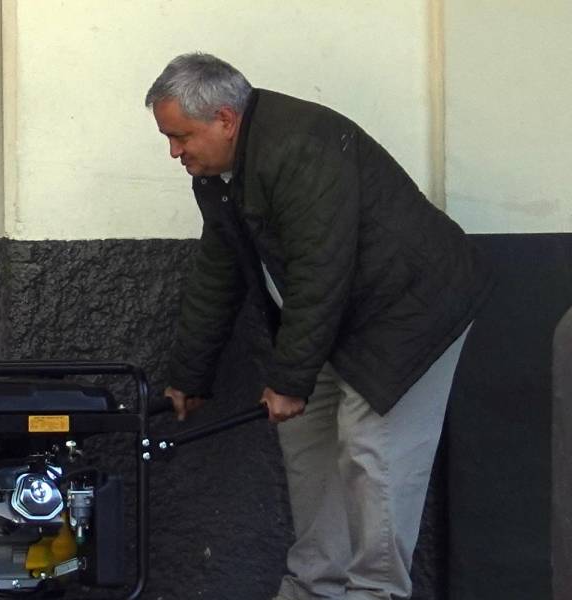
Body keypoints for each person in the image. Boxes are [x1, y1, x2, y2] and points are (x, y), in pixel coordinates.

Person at [148, 53, 489, 599]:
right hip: (337, 316)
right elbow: (219, 271)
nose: (174, 151)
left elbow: (320, 269)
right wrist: (190, 375)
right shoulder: (221, 174)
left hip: (408, 311)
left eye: (180, 136)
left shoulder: (297, 148)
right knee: (304, 443)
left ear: (225, 120)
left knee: (371, 450)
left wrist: (289, 381)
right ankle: (313, 586)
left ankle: (375, 590)